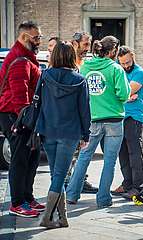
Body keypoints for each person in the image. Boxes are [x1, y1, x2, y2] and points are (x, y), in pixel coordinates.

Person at [66, 36, 131, 208]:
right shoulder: (116, 69)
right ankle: (103, 199)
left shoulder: (85, 66)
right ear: (113, 51)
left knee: (83, 158)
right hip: (114, 120)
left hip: (92, 120)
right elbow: (124, 95)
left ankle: (72, 194)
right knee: (109, 161)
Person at [35, 42, 91, 228]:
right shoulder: (80, 80)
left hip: (48, 131)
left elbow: (38, 103)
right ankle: (47, 217)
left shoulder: (45, 76)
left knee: (56, 175)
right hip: (70, 133)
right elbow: (84, 111)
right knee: (59, 175)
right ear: (70, 57)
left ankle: (63, 217)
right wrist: (86, 134)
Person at [0, 20, 45, 218]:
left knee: (31, 158)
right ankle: (17, 203)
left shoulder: (27, 57)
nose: (39, 42)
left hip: (22, 116)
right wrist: (26, 122)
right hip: (15, 116)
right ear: (25, 37)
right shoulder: (20, 60)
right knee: (20, 160)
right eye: (36, 38)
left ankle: (27, 197)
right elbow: (20, 97)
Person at [112, 46, 143, 199]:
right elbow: (113, 92)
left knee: (135, 153)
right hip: (120, 116)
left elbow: (125, 92)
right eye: (123, 63)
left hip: (134, 118)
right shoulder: (119, 71)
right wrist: (124, 96)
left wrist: (123, 96)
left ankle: (139, 186)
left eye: (128, 62)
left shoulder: (139, 73)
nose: (126, 66)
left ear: (133, 57)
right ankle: (127, 183)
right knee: (122, 153)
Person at [70, 31, 98, 193]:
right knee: (72, 153)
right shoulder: (70, 63)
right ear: (75, 43)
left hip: (84, 116)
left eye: (89, 44)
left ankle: (81, 180)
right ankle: (69, 183)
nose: (88, 48)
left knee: (82, 151)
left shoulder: (85, 63)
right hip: (72, 117)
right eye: (85, 44)